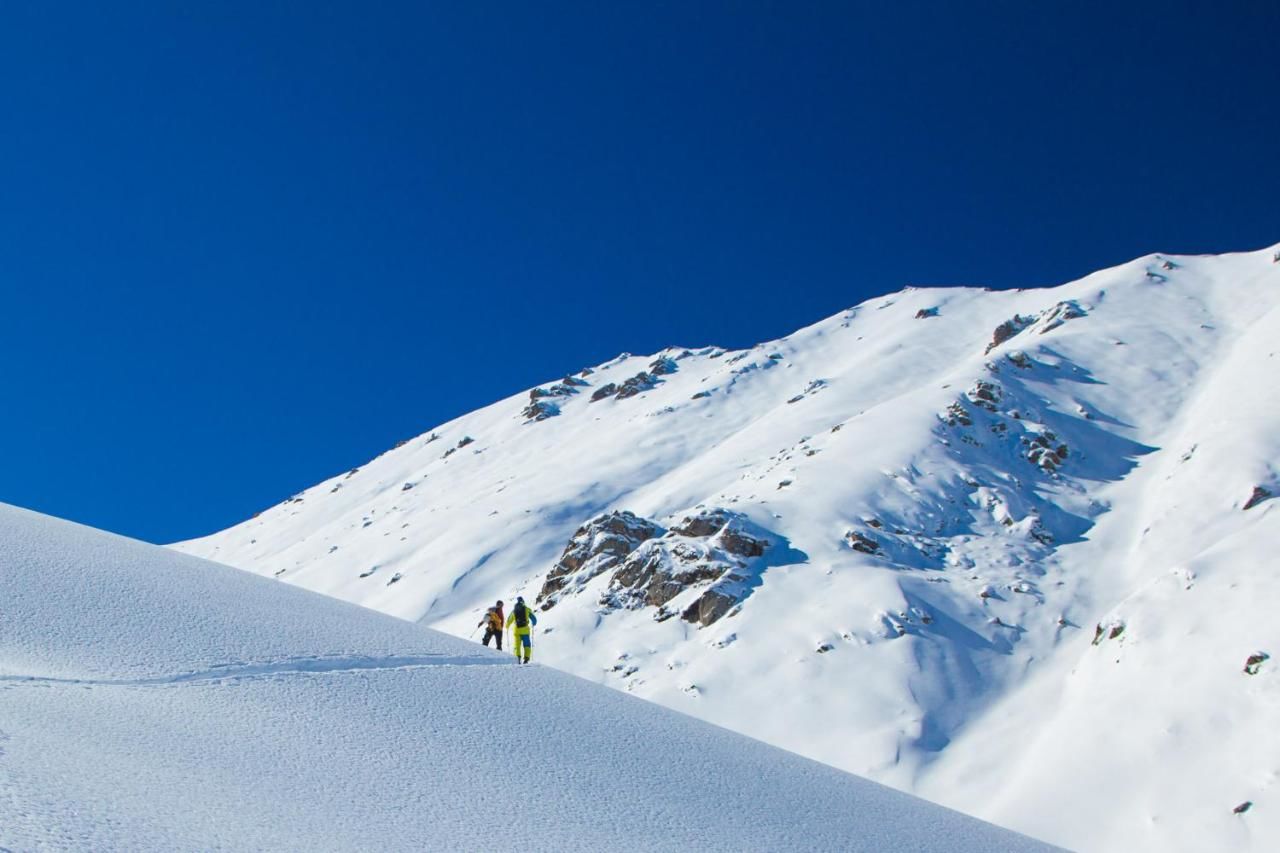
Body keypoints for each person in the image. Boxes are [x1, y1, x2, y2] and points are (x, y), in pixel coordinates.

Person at [505, 595, 537, 664]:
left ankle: (518, 658)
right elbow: (534, 619)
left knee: (517, 645)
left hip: (516, 630)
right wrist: (533, 624)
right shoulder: (527, 609)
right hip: (525, 630)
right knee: (527, 645)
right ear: (523, 602)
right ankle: (526, 658)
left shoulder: (514, 610)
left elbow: (509, 620)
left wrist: (507, 626)